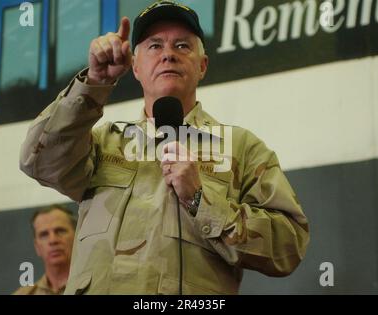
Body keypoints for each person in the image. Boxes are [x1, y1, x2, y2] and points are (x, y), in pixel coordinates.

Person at [20, 1, 309, 295]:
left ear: (203, 66)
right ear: (135, 66)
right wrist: (95, 83)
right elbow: (37, 161)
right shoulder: (102, 142)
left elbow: (289, 246)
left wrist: (201, 201)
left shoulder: (241, 148)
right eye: (155, 46)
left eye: (182, 46)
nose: (168, 54)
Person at [13, 205, 76, 295]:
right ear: (37, 247)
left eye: (60, 231)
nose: (53, 240)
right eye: (44, 235)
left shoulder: (98, 287)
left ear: (76, 237)